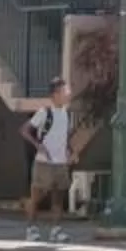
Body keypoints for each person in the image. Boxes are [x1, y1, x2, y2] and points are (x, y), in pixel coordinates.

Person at [22, 77, 74, 239]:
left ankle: (56, 230)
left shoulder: (67, 114)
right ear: (55, 94)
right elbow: (25, 130)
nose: (68, 94)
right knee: (37, 196)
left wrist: (71, 152)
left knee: (58, 198)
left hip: (60, 163)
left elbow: (64, 137)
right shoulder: (45, 112)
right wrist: (38, 146)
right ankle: (31, 228)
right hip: (44, 163)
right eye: (65, 91)